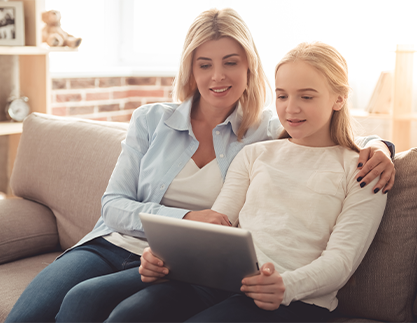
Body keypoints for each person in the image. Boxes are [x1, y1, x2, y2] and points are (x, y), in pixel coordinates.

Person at [5, 8, 394, 323]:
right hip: (118, 245)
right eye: (204, 64)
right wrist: (187, 219)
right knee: (66, 304)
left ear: (249, 68)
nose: (217, 76)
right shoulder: (152, 120)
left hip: (191, 266)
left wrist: (381, 146)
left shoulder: (264, 131)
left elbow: (325, 140)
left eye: (230, 62)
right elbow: (113, 205)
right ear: (190, 69)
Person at [105, 41, 389, 323]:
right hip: (224, 282)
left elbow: (342, 261)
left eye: (306, 97)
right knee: (127, 315)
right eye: (282, 96)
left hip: (296, 300)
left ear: (339, 98)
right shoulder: (255, 154)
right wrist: (163, 258)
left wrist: (285, 286)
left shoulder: (364, 170)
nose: (291, 109)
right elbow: (218, 226)